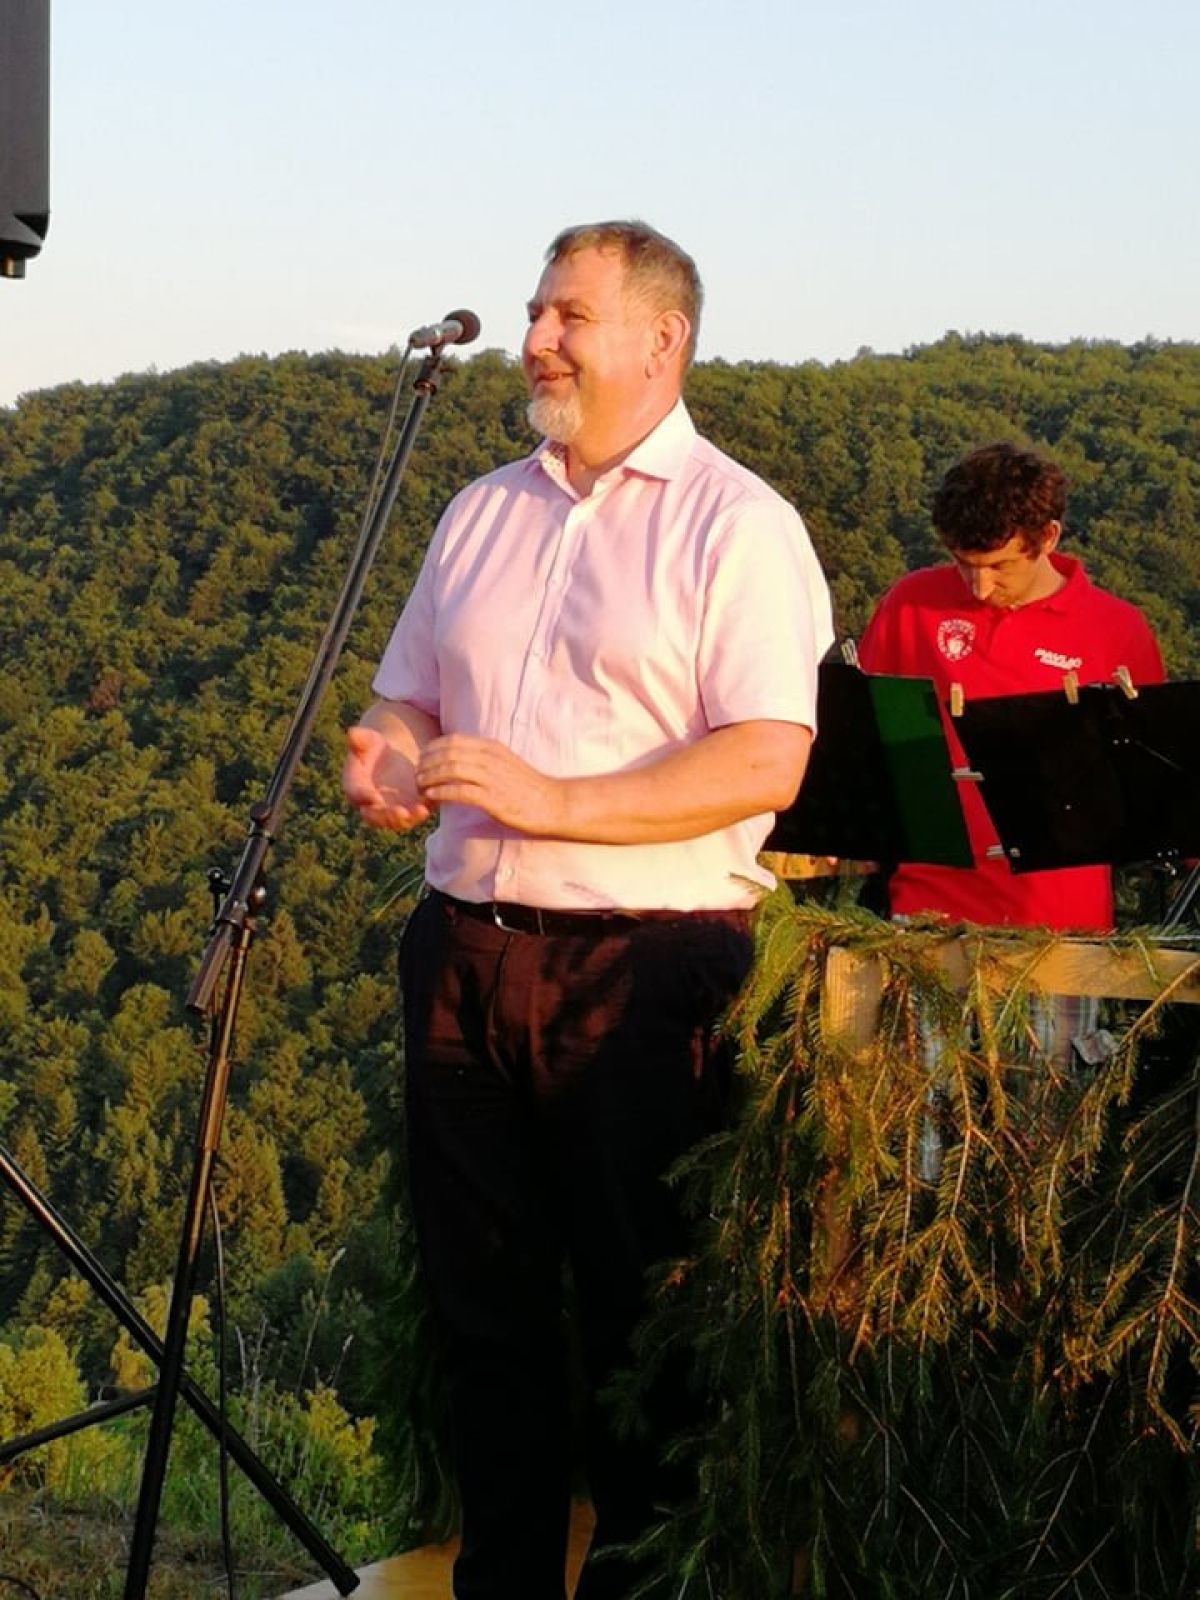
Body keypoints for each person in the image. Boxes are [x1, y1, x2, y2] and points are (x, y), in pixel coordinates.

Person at [342, 220, 833, 1600]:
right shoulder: (481, 509)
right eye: (534, 313)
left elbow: (767, 758)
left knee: (641, 1323)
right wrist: (383, 754)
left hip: (648, 973)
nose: (534, 341)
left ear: (661, 340)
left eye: (567, 316)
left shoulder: (739, 523)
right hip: (463, 953)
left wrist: (552, 799)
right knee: (483, 1313)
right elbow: (404, 695)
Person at [859, 440, 1164, 935]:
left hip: (1063, 925)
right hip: (925, 909)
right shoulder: (911, 603)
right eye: (963, 563)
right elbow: (862, 736)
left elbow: (1151, 785)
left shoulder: (1117, 630)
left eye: (999, 566)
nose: (979, 586)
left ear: (1048, 537)